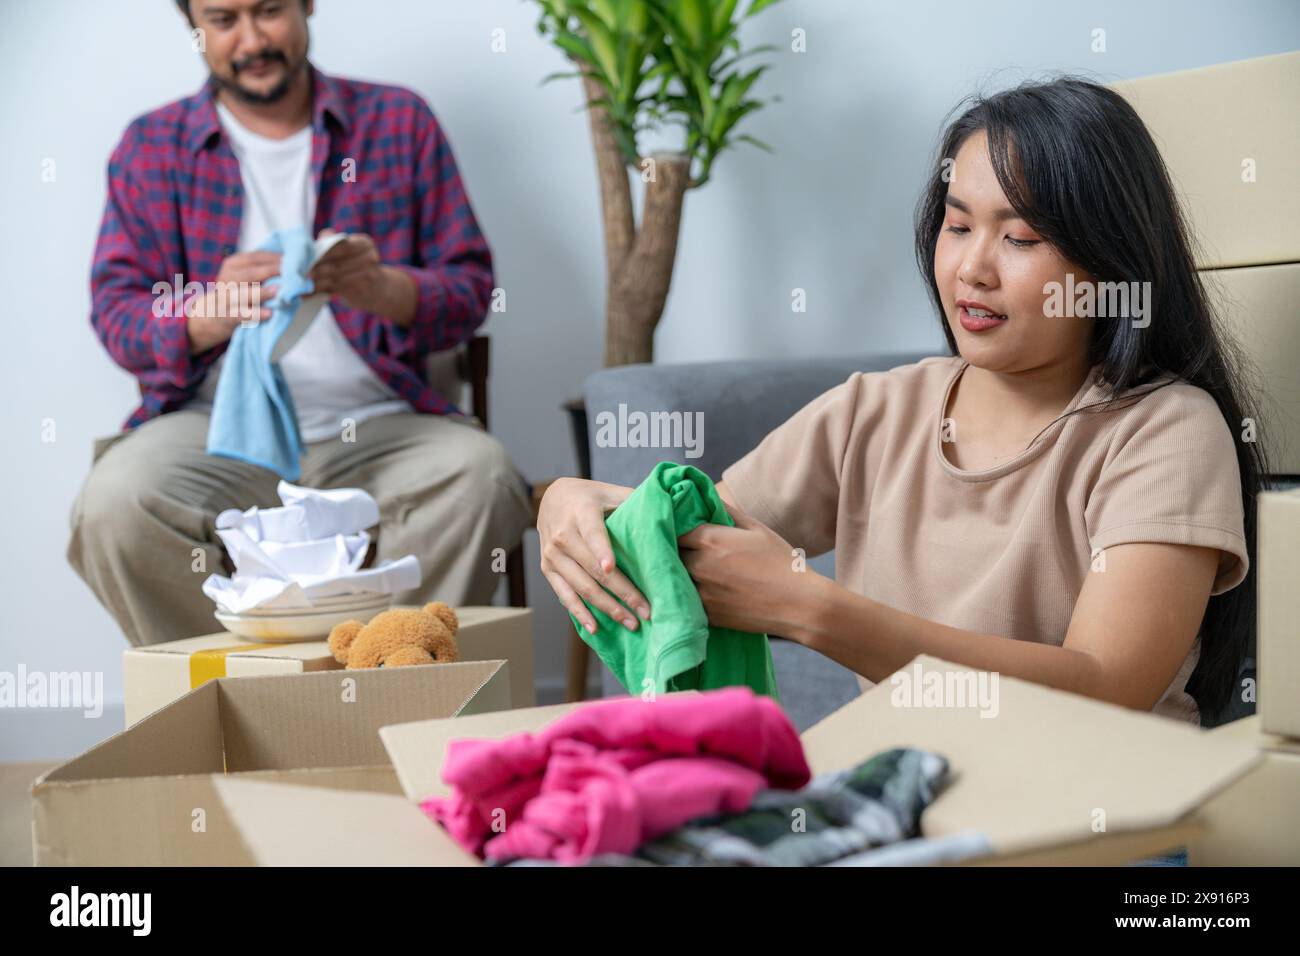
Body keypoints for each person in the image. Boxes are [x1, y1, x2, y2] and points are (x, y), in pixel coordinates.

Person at [538, 77, 1273, 727]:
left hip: (1108, 831)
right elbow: (693, 541)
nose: (971, 268)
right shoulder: (876, 411)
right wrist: (578, 505)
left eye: (1020, 237)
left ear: (1109, 260)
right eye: (957, 226)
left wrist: (813, 608)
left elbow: (1106, 686)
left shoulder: (1166, 431)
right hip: (908, 810)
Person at [68, 0, 533, 647]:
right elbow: (118, 316)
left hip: (379, 427)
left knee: (482, 479)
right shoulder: (151, 146)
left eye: (269, 11)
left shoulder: (399, 121)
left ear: (307, 5)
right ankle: (236, 704)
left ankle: (383, 678)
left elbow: (470, 288)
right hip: (215, 431)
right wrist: (205, 313)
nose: (252, 40)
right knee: (116, 504)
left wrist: (387, 290)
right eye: (224, 19)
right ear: (193, 26)